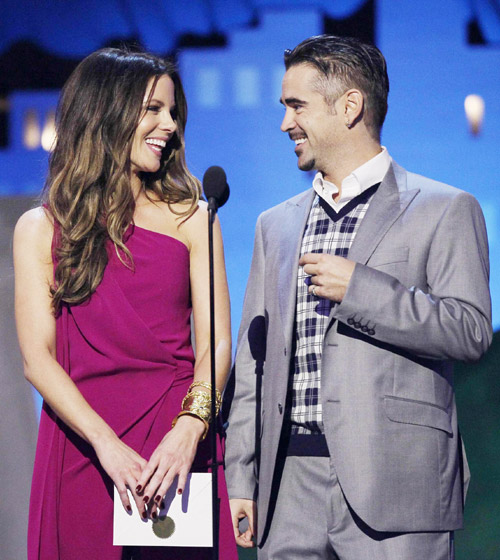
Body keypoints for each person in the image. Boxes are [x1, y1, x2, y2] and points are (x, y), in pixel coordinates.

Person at [225, 35, 492, 560]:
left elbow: (470, 330)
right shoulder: (274, 226)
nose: (285, 123)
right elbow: (254, 362)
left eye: (296, 105)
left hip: (397, 486)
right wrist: (242, 474)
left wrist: (362, 291)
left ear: (350, 106)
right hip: (289, 489)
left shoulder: (445, 208)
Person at [14, 48, 237, 560]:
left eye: (173, 111)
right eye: (153, 109)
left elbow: (217, 342)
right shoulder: (40, 229)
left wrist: (190, 428)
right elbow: (37, 359)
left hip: (176, 450)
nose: (170, 125)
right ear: (105, 112)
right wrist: (106, 445)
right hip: (83, 448)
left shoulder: (194, 219)